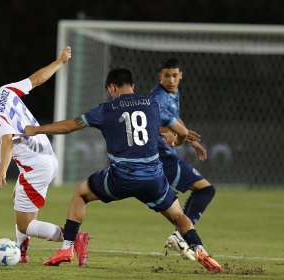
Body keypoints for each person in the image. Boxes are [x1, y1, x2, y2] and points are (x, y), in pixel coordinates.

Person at [24, 68, 222, 272]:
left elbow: (69, 126)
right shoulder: (153, 105)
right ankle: (200, 250)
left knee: (80, 193)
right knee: (179, 216)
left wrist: (37, 129)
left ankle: (67, 248)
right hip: (153, 179)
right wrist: (175, 141)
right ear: (133, 86)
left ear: (112, 87)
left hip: (121, 179)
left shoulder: (106, 109)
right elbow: (182, 133)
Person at [0, 46, 90, 267]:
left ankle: (72, 239)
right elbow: (35, 80)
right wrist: (60, 62)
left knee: (26, 225)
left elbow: (6, 139)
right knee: (19, 203)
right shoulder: (4, 91)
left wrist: (1, 172)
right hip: (46, 158)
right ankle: (22, 253)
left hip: (36, 166)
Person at [148, 58, 216, 261]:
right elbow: (151, 124)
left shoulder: (173, 93)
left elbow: (174, 120)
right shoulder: (158, 97)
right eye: (166, 75)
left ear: (181, 76)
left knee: (201, 192)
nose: (170, 79)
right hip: (162, 157)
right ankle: (180, 235)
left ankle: (181, 235)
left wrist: (191, 141)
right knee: (206, 190)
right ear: (160, 76)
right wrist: (167, 132)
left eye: (174, 75)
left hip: (166, 156)